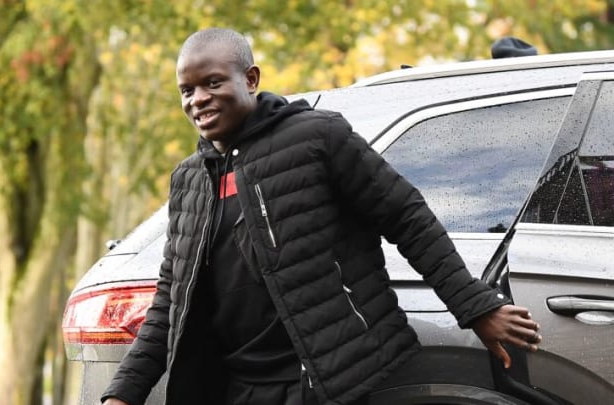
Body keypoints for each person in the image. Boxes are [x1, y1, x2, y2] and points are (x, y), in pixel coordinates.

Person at [101, 28, 543, 405]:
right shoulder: (189, 180)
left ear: (250, 79)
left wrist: (475, 307)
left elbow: (406, 217)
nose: (198, 100)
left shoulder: (318, 137)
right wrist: (123, 393)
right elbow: (170, 300)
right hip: (235, 386)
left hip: (322, 381)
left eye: (213, 83)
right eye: (187, 90)